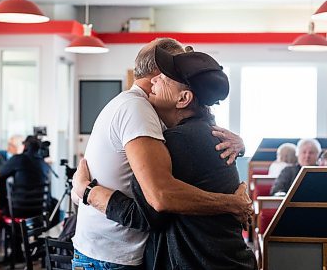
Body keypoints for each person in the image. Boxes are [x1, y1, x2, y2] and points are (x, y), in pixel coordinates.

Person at [72, 38, 252, 270]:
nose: (157, 80)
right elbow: (158, 201)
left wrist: (86, 191)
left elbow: (152, 207)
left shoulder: (175, 134)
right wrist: (231, 203)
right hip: (112, 256)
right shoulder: (146, 112)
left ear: (184, 98)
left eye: (167, 74)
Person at [0, 135, 51, 217]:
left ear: (25, 146)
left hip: (17, 210)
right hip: (39, 210)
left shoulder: (18, 159)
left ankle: (2, 228)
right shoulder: (44, 164)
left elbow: (0, 175)